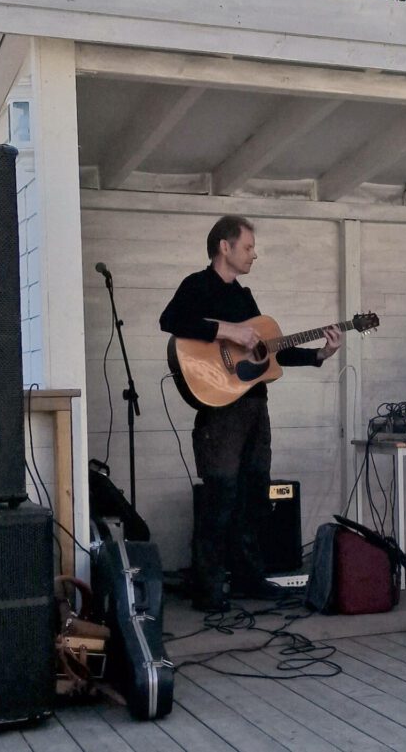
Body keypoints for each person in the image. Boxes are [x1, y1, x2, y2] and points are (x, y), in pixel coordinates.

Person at [160, 215, 342, 611]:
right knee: (219, 497)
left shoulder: (245, 297)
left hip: (254, 407)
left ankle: (247, 579)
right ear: (224, 247)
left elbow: (268, 351)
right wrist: (227, 330)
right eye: (248, 246)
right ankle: (208, 590)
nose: (254, 254)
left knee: (253, 495)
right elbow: (170, 321)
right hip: (220, 412)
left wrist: (319, 355)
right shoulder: (197, 286)